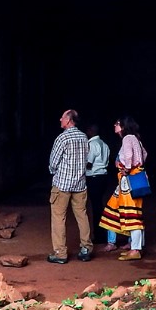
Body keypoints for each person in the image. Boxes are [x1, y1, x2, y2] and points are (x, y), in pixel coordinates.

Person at [47, 109, 93, 264]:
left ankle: (60, 253)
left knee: (59, 218)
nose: (60, 119)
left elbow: (53, 163)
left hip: (62, 184)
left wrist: (55, 173)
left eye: (62, 117)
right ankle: (86, 249)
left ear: (68, 121)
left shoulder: (62, 138)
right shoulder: (83, 137)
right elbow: (86, 159)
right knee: (82, 216)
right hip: (80, 184)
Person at [99, 116, 147, 261]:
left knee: (132, 215)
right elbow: (144, 154)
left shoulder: (127, 139)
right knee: (131, 212)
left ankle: (135, 249)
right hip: (135, 178)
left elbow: (128, 156)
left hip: (128, 180)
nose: (115, 125)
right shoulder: (136, 138)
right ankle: (134, 246)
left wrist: (126, 168)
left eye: (117, 123)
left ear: (124, 126)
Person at [84, 123, 112, 245]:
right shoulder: (104, 144)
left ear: (91, 131)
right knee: (99, 205)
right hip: (103, 176)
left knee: (96, 207)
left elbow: (89, 163)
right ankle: (104, 233)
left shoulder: (92, 144)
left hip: (94, 177)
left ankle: (99, 235)